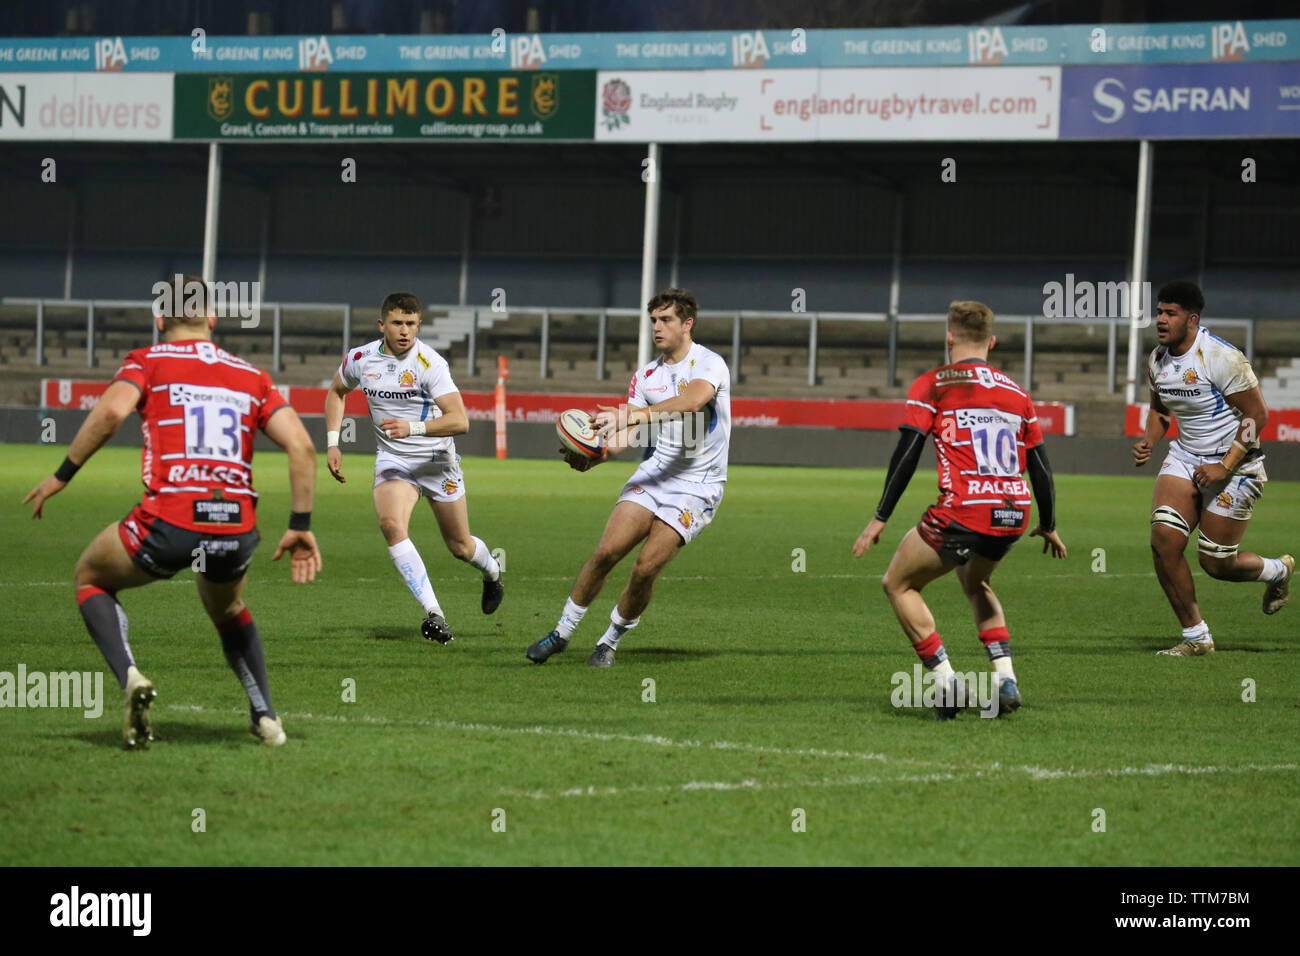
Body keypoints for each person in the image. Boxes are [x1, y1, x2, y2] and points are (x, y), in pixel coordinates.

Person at [22, 275, 322, 749]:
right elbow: (303, 446)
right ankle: (266, 717)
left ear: (159, 319)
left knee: (90, 577)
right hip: (234, 528)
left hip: (171, 521)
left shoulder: (148, 361)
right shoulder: (252, 376)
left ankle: (131, 679)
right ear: (213, 319)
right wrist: (299, 526)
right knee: (227, 607)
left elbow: (109, 414)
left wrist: (61, 475)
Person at [854, 300, 1066, 719]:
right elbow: (1040, 464)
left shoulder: (934, 384)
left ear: (949, 338)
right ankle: (1005, 680)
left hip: (965, 509)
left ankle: (947, 683)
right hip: (1012, 513)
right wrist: (1049, 523)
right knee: (976, 583)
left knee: (898, 584)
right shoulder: (1017, 393)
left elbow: (909, 450)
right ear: (992, 341)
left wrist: (881, 516)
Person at [527, 288, 730, 668]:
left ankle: (609, 641)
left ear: (687, 324)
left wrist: (630, 416)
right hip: (656, 473)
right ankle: (562, 633)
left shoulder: (709, 364)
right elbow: (626, 437)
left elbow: (692, 401)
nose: (657, 327)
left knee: (646, 568)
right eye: (653, 319)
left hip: (698, 486)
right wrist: (597, 455)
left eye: (666, 319)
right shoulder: (646, 376)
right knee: (606, 553)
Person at [324, 291, 502, 644]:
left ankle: (493, 572)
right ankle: (435, 613)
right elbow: (336, 392)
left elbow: (460, 421)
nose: (404, 330)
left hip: (437, 461)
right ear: (382, 325)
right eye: (397, 323)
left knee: (460, 546)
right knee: (391, 525)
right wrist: (333, 442)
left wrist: (413, 427)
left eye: (411, 324)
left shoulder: (429, 364)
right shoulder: (361, 359)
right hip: (394, 460)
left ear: (419, 325)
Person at [1133, 280, 1292, 656]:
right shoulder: (1156, 360)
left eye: (1170, 313)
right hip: (1185, 458)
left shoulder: (1221, 357)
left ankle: (1277, 570)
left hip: (1236, 465)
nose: (1160, 320)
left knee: (1217, 563)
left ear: (1192, 319)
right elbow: (1160, 409)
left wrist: (1225, 466)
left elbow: (1258, 414)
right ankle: (1197, 637)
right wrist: (1150, 441)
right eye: (1159, 312)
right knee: (1164, 540)